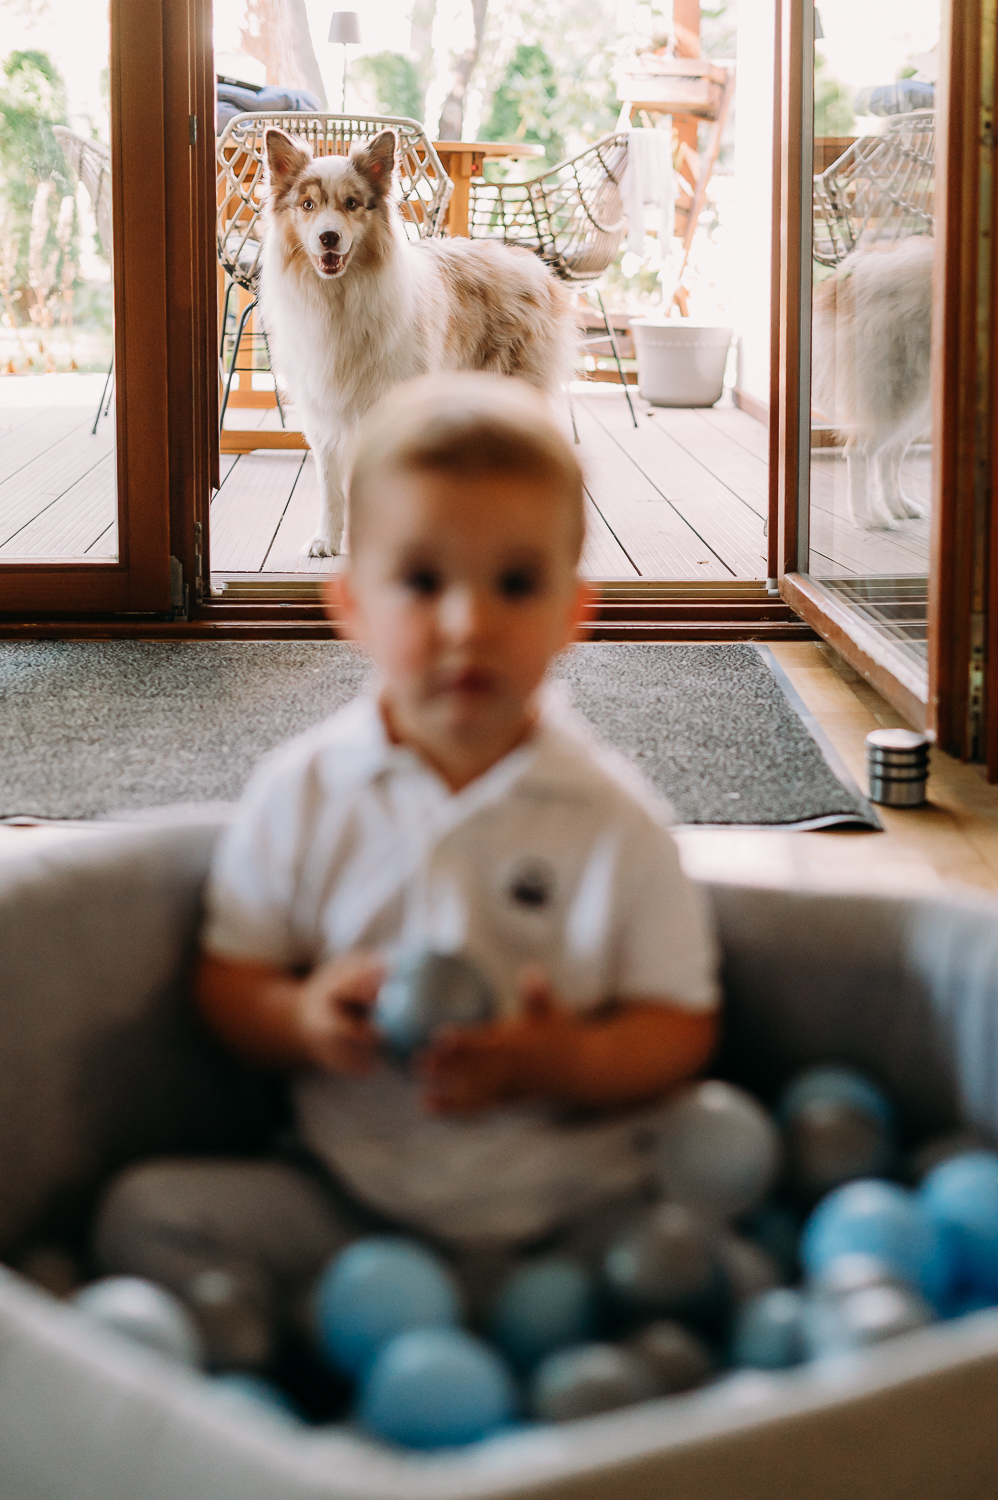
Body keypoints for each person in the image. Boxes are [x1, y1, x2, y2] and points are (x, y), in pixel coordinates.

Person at [93, 373, 719, 1364]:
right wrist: (298, 1018)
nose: (466, 622)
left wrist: (562, 1063)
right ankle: (283, 1382)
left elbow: (679, 1022)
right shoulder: (302, 792)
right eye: (423, 581)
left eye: (514, 584)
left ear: (572, 611)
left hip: (567, 1211)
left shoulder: (612, 820)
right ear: (350, 605)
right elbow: (230, 979)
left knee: (692, 1272)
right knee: (142, 1213)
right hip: (348, 1205)